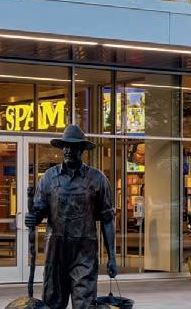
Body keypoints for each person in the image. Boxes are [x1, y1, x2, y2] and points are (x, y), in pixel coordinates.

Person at [24, 125, 117, 308]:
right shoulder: (49, 178)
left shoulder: (98, 179)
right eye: (65, 146)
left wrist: (112, 256)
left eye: (73, 146)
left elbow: (107, 220)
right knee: (53, 302)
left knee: (85, 303)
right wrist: (33, 218)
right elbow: (39, 210)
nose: (68, 150)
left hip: (84, 252)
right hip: (56, 251)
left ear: (82, 149)